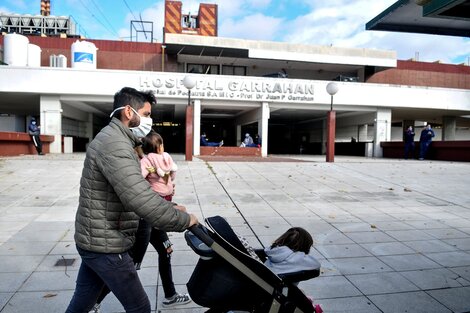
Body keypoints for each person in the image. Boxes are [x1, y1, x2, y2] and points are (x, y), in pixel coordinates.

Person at [65, 87, 198, 313]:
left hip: (95, 239)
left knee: (82, 303)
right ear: (129, 112)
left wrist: (169, 205)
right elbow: (140, 199)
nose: (149, 120)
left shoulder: (117, 139)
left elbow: (132, 190)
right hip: (107, 244)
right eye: (146, 114)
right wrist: (185, 220)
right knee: (139, 306)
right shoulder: (115, 145)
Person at [89, 131, 191, 312]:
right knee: (130, 265)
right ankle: (95, 301)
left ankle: (170, 295)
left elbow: (165, 180)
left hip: (157, 215)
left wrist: (167, 193)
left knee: (166, 251)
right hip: (145, 219)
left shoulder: (158, 161)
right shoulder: (140, 164)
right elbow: (137, 190)